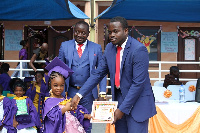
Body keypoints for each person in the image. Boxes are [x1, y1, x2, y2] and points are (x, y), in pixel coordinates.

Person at [71, 16, 157, 133]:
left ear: (126, 31)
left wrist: (122, 109)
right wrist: (79, 95)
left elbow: (138, 84)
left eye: (116, 31)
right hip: (119, 101)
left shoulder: (139, 50)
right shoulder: (109, 48)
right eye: (109, 32)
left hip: (138, 104)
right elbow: (98, 73)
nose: (111, 35)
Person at [58, 21, 107, 132]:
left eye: (83, 33)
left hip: (89, 93)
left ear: (88, 33)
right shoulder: (65, 46)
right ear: (74, 31)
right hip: (69, 91)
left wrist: (102, 93)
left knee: (87, 123)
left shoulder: (96, 48)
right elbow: (59, 69)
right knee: (69, 121)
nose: (80, 35)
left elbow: (102, 71)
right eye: (77, 32)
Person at [43, 57, 92, 133]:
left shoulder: (67, 99)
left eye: (62, 85)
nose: (59, 88)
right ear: (50, 84)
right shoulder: (49, 102)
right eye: (55, 85)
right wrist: (65, 109)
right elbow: (52, 117)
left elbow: (77, 112)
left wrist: (86, 116)